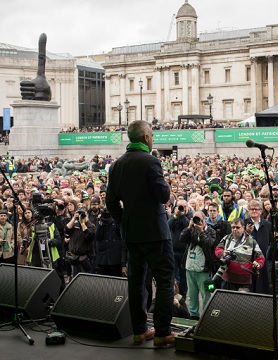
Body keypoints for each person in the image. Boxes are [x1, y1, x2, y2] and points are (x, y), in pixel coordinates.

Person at [106, 120, 176, 347]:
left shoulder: (117, 165)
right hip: (155, 232)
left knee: (135, 282)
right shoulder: (150, 161)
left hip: (132, 234)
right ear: (146, 138)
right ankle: (162, 333)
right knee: (164, 280)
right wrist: (167, 185)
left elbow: (111, 202)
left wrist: (124, 222)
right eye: (152, 135)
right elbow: (163, 195)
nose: (153, 138)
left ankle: (139, 331)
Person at [180, 210, 216, 320]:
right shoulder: (191, 229)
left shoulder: (211, 231)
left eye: (198, 219)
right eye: (194, 218)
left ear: (204, 219)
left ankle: (206, 317)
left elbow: (209, 244)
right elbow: (182, 239)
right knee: (192, 295)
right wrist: (189, 227)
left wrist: (201, 232)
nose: (196, 221)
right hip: (190, 267)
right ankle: (194, 316)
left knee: (206, 295)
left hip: (204, 269)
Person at [214, 218, 264, 292]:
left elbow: (260, 257)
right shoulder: (227, 238)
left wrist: (258, 264)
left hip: (244, 282)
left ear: (243, 228)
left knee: (242, 303)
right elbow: (217, 249)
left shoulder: (252, 242)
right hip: (227, 280)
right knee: (226, 303)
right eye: (233, 227)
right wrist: (222, 253)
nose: (235, 229)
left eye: (237, 227)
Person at [246, 199, 273, 294]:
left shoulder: (268, 225)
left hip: (263, 259)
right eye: (251, 209)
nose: (254, 211)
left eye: (256, 209)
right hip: (248, 259)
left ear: (261, 211)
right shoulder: (244, 224)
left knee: (262, 286)